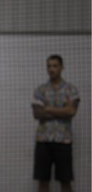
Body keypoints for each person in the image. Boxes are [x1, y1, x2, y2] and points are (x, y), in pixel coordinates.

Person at [32, 54, 80, 192]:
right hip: (43, 141)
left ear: (62, 67)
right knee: (43, 181)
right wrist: (62, 110)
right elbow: (37, 113)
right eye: (49, 66)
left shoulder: (71, 89)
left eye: (55, 66)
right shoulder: (40, 90)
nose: (51, 69)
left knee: (65, 181)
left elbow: (71, 111)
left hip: (63, 141)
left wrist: (47, 108)